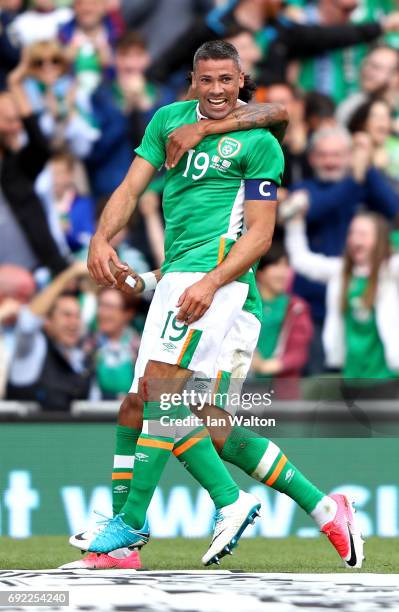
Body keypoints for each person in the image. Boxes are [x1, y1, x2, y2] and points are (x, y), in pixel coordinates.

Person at [65, 41, 363, 573]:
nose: (218, 90)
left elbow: (259, 234)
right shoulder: (166, 120)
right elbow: (131, 187)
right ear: (193, 80)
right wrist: (100, 239)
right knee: (158, 407)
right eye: (208, 81)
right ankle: (323, 507)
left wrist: (212, 281)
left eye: (228, 80)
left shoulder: (261, 142)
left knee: (164, 395)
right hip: (181, 278)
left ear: (242, 80)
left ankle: (160, 518)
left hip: (222, 283)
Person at [279, 125, 399, 373]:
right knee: (323, 388)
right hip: (314, 308)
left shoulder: (365, 183)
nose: (330, 161)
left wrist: (366, 166)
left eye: (337, 154)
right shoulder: (304, 191)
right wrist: (355, 178)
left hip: (365, 305)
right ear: (311, 158)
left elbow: (394, 209)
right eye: (323, 155)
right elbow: (317, 208)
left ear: (349, 156)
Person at [285, 210, 399, 400]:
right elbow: (301, 261)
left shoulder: (391, 271)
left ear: (379, 239)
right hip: (351, 379)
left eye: (363, 234)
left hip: (387, 378)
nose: (355, 240)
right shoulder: (341, 272)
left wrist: (393, 238)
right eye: (352, 233)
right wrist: (294, 221)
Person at [6, 262, 92, 411]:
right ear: (48, 321)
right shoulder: (31, 349)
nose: (74, 323)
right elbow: (27, 321)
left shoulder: (82, 357)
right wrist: (70, 274)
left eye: (77, 316)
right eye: (66, 315)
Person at [0, 87, 68, 274]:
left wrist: (15, 84)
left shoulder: (16, 167)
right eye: (9, 120)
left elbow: (40, 146)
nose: (17, 127)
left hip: (41, 269)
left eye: (19, 121)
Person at [251, 244, 313, 399]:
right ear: (260, 272)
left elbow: (299, 353)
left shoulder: (297, 308)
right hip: (243, 389)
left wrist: (271, 365)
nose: (283, 272)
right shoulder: (245, 304)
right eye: (276, 265)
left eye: (286, 265)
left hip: (281, 393)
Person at [92, 287, 141, 400]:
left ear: (128, 313)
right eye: (100, 305)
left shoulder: (140, 347)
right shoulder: (88, 345)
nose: (102, 312)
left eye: (109, 307)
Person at [336, 45, 399, 125]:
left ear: (396, 75)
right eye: (366, 64)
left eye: (376, 67)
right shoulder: (352, 106)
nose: (367, 71)